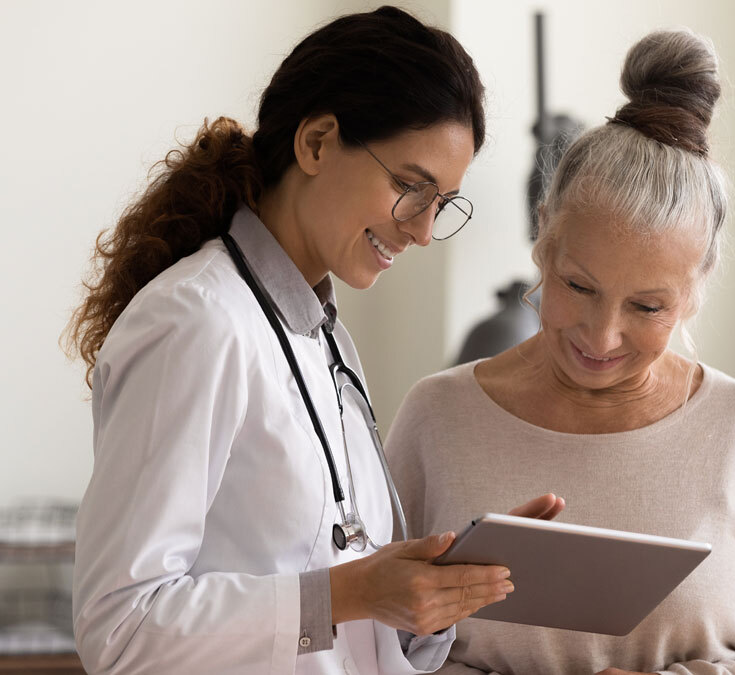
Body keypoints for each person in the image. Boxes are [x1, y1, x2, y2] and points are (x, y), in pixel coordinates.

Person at [66, 7, 557, 674]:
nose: (422, 231)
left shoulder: (330, 342)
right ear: (318, 142)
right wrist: (347, 592)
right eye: (411, 187)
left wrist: (438, 593)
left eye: (441, 202)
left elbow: (345, 615)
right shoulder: (195, 322)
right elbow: (120, 628)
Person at [385, 29, 735, 674]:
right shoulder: (437, 416)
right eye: (577, 286)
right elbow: (371, 637)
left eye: (647, 307)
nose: (600, 336)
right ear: (543, 243)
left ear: (695, 292)